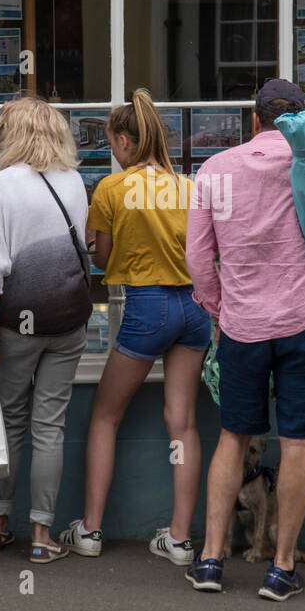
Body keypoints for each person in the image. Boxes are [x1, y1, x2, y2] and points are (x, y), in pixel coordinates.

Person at [185, 79, 305, 600]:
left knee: (232, 439)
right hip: (304, 322)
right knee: (297, 444)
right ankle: (280, 568)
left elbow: (198, 258)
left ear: (254, 119)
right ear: (303, 119)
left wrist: (219, 307)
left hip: (242, 325)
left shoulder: (216, 169)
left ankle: (210, 561)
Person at [60, 89, 209, 565]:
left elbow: (102, 262)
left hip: (147, 307)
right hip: (195, 308)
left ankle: (90, 529)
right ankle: (182, 539)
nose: (111, 151)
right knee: (182, 423)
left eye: (110, 143)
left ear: (124, 141)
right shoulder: (190, 186)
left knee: (105, 416)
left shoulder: (111, 189)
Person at [0, 95, 92, 563]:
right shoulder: (75, 181)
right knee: (50, 427)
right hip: (68, 321)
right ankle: (42, 537)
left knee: (9, 422)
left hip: (15, 323)